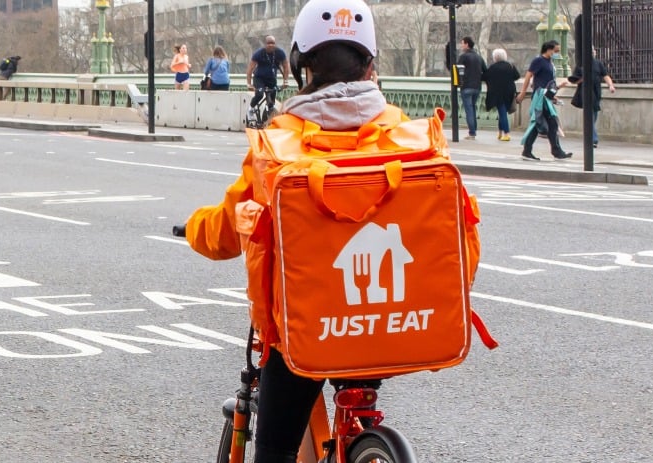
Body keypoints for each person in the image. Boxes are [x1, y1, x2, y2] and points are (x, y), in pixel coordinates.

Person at [189, 1, 429, 460]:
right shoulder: (404, 136)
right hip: (390, 325)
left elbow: (226, 230)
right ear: (370, 64)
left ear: (299, 65)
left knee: (275, 448)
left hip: (307, 335)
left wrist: (193, 228)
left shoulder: (280, 145)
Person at [516, 40, 570, 160]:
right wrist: (523, 92)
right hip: (540, 97)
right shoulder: (539, 61)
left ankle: (529, 150)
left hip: (546, 96)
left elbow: (548, 82)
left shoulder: (550, 62)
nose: (557, 53)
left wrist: (553, 96)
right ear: (548, 49)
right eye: (555, 50)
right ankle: (555, 151)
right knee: (548, 122)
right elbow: (529, 75)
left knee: (542, 123)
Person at [569, 48, 617, 149]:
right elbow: (574, 80)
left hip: (596, 93)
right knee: (590, 115)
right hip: (585, 93)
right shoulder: (581, 65)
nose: (593, 53)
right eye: (591, 51)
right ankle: (593, 139)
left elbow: (605, 75)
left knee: (593, 116)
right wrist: (582, 79)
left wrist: (611, 85)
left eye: (593, 51)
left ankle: (589, 135)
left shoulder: (598, 63)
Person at [456, 37, 486, 140]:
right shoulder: (479, 57)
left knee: (469, 109)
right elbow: (485, 71)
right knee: (472, 107)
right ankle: (474, 129)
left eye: (462, 43)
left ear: (467, 44)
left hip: (466, 86)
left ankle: (472, 132)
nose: (461, 46)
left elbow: (457, 71)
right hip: (477, 87)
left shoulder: (463, 57)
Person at [247, 35, 286, 109]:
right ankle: (251, 109)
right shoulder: (259, 53)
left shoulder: (280, 53)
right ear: (265, 44)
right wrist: (249, 84)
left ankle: (267, 112)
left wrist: (285, 81)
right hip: (259, 78)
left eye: (273, 43)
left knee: (272, 102)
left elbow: (286, 67)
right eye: (268, 43)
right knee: (259, 95)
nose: (271, 45)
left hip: (271, 79)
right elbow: (250, 68)